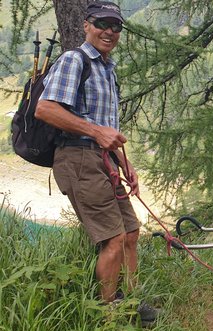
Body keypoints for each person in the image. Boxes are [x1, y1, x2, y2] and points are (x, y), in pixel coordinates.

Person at [35, 1, 140, 304]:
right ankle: (109, 315)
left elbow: (106, 129)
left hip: (102, 159)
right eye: (101, 24)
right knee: (114, 238)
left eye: (116, 26)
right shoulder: (74, 60)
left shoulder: (107, 69)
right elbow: (45, 108)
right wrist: (96, 132)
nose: (109, 31)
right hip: (78, 158)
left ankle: (133, 301)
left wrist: (126, 165)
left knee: (131, 233)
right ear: (86, 25)